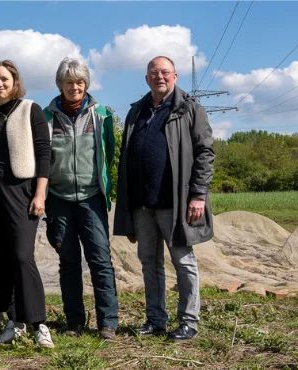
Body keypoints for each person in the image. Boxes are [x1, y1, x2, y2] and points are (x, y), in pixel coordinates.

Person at [112, 56, 215, 341]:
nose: (160, 77)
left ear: (175, 76)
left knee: (183, 261)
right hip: (142, 204)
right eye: (154, 73)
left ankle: (188, 322)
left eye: (165, 72)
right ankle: (156, 320)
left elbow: (205, 153)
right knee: (149, 262)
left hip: (177, 201)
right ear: (147, 79)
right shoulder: (137, 111)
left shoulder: (190, 109)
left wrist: (198, 194)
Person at [0, 60, 53, 348]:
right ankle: (13, 323)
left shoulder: (31, 110)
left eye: (4, 79)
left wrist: (40, 194)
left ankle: (39, 323)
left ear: (15, 81)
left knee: (21, 256)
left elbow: (44, 154)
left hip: (21, 190)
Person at [42, 57, 119, 340]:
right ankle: (74, 320)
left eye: (79, 82)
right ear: (60, 84)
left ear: (86, 84)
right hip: (58, 198)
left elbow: (108, 152)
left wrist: (100, 185)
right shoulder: (46, 115)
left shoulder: (101, 114)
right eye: (69, 82)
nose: (74, 87)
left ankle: (107, 322)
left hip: (91, 197)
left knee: (100, 260)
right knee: (69, 261)